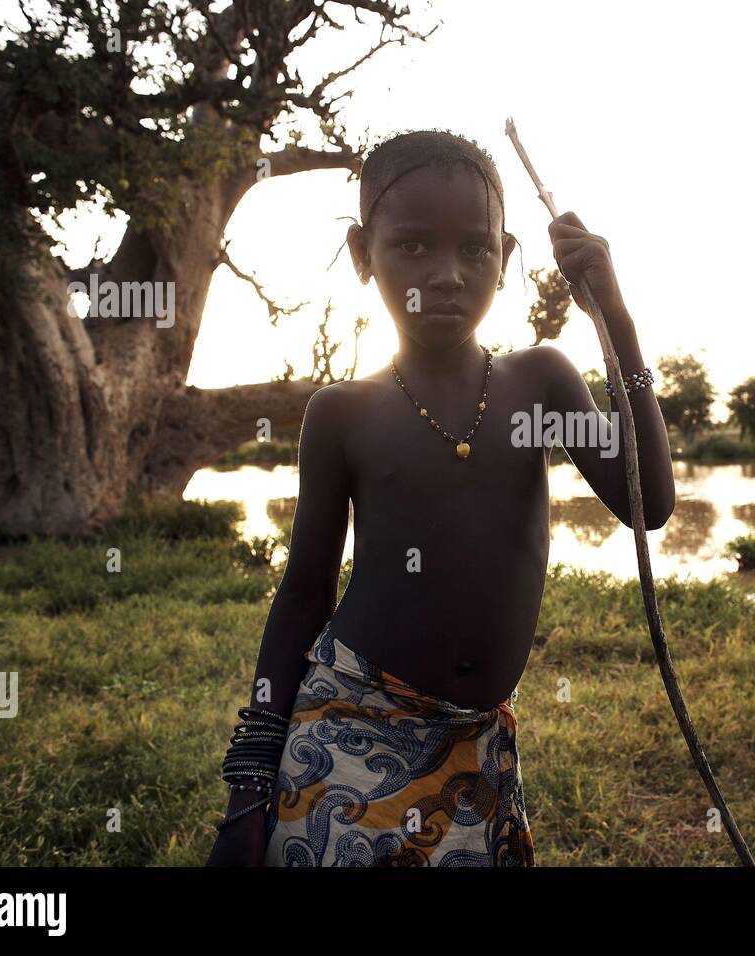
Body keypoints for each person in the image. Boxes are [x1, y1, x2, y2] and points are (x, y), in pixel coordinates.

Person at [206, 129, 676, 866]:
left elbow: (647, 503)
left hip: (478, 745)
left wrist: (617, 322)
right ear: (364, 255)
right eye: (414, 246)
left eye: (475, 249)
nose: (449, 274)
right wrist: (249, 782)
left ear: (508, 255)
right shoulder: (343, 413)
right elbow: (303, 591)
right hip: (351, 726)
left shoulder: (541, 382)